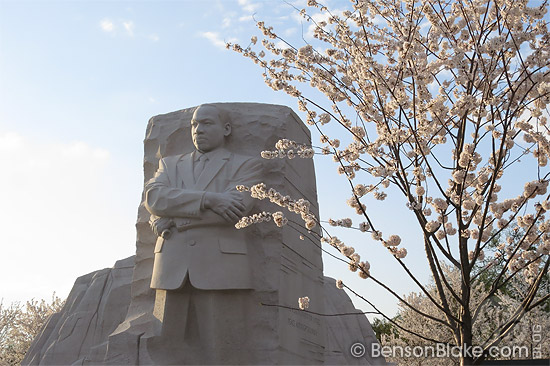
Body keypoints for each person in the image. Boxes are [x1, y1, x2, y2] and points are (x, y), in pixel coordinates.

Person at [143, 104, 262, 364]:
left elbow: (236, 210)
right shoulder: (170, 165)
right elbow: (153, 198)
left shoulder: (246, 165)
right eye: (195, 125)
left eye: (206, 123)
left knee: (223, 348)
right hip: (171, 267)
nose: (198, 130)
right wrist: (209, 199)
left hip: (220, 267)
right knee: (164, 347)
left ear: (226, 129)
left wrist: (174, 218)